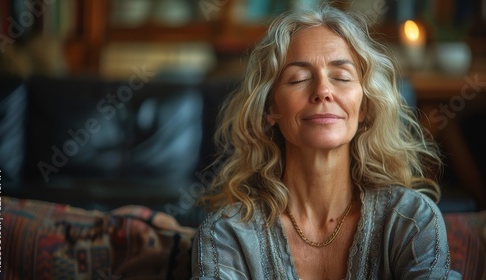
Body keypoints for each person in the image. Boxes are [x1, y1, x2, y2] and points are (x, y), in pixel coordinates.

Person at [191, 5, 461, 280]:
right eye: (299, 79)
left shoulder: (410, 219)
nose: (322, 91)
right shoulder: (228, 233)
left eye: (342, 77)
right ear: (269, 109)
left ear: (365, 107)